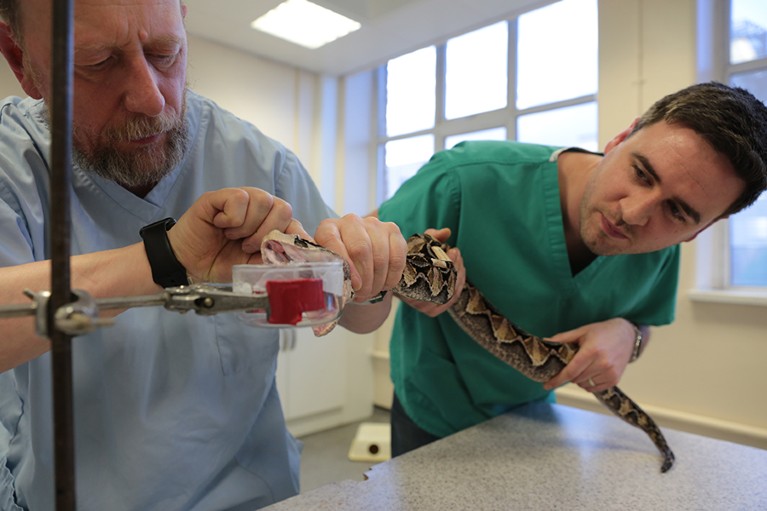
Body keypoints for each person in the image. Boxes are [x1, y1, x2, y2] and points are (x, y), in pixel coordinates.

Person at [0, 0, 406, 509]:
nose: (151, 99)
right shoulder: (13, 168)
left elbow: (356, 314)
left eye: (165, 52)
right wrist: (168, 259)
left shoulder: (261, 163)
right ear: (20, 60)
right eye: (97, 62)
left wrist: (373, 269)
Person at [376, 81, 767, 456]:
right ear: (620, 138)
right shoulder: (463, 178)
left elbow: (642, 324)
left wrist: (628, 335)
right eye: (641, 173)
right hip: (430, 408)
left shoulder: (662, 249)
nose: (632, 213)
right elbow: (361, 262)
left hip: (535, 415)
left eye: (677, 211)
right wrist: (400, 280)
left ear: (701, 229)